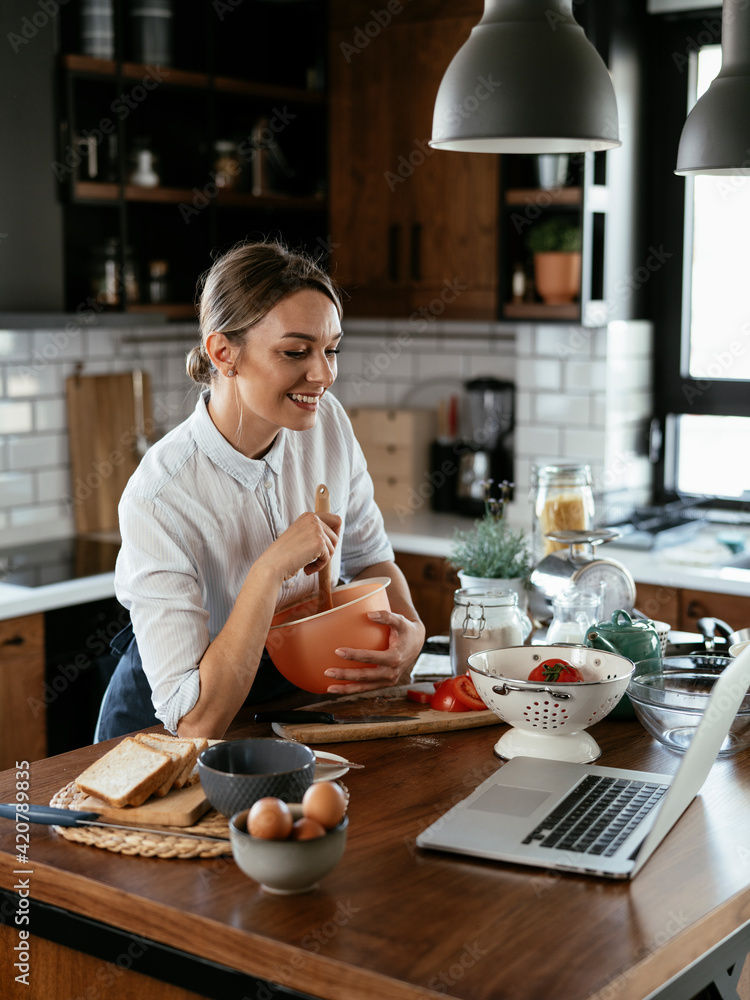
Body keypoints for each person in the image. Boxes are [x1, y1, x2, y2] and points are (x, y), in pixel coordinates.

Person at [95, 240, 425, 741]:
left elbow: (370, 557)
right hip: (165, 727)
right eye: (296, 352)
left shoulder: (328, 424)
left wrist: (413, 634)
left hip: (286, 705)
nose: (324, 375)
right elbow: (194, 722)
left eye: (331, 349)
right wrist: (269, 569)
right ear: (223, 353)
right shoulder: (159, 496)